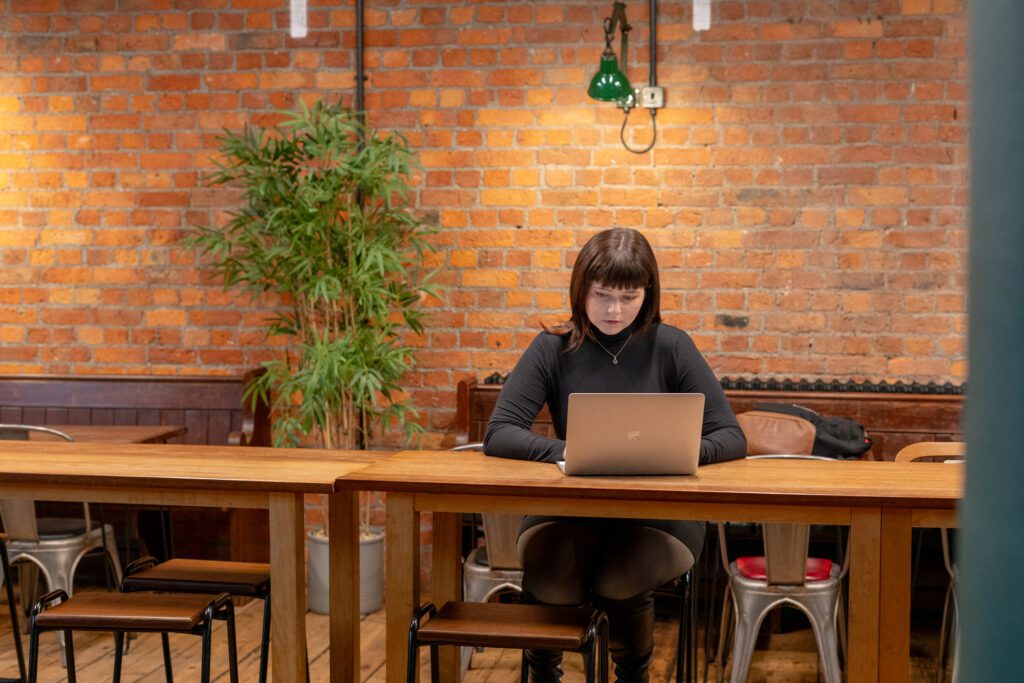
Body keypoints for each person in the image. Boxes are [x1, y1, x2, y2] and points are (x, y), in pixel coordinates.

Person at [483, 227, 747, 683]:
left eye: (629, 297)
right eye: (602, 295)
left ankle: (632, 676)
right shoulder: (554, 347)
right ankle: (543, 673)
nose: (614, 310)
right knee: (553, 570)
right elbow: (500, 433)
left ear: (649, 294)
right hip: (570, 510)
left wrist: (670, 454)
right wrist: (570, 451)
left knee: (617, 576)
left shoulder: (672, 346)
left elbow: (731, 437)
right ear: (580, 289)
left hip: (660, 515)